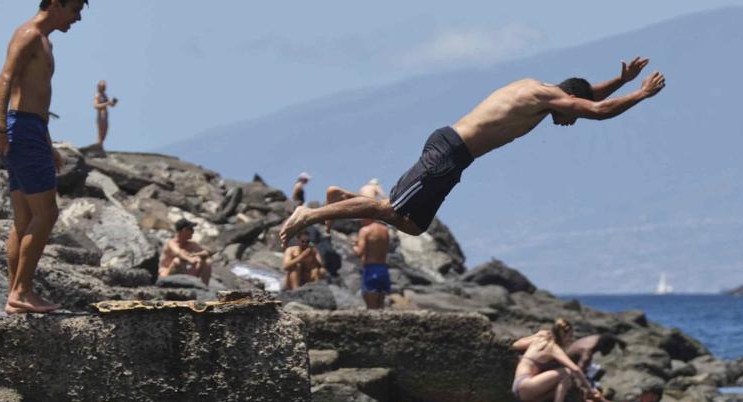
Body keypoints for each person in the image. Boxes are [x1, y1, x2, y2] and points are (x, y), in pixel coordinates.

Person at [279, 57, 665, 243]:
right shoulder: (547, 97)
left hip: (455, 155)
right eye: (571, 116)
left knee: (413, 226)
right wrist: (641, 94)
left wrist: (619, 79)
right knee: (392, 210)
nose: (569, 123)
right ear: (569, 100)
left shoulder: (543, 91)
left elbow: (589, 96)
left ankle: (343, 198)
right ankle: (308, 214)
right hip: (449, 152)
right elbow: (596, 109)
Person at [0, 0, 88, 314]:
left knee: (25, 218)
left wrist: (47, 142)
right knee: (48, 213)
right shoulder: (30, 35)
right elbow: (5, 79)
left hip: (30, 130)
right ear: (55, 4)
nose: (77, 19)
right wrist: (0, 128)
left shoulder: (44, 41)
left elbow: (32, 96)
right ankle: (22, 291)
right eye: (74, 10)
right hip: (21, 129)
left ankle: (15, 295)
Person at [510, 319, 590, 402]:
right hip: (525, 386)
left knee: (566, 382)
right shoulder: (553, 348)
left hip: (518, 385)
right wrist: (589, 389)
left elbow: (515, 344)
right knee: (566, 373)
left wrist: (536, 335)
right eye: (569, 336)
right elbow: (575, 369)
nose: (570, 340)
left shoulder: (539, 340)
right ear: (563, 335)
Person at [159, 219, 212, 284]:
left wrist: (195, 255)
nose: (193, 232)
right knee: (177, 261)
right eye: (191, 229)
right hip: (166, 273)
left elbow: (206, 253)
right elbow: (179, 253)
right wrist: (190, 259)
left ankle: (204, 286)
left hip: (184, 273)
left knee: (207, 262)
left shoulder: (191, 244)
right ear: (184, 230)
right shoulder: (171, 243)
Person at [354, 218, 391, 309]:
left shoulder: (365, 230)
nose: (360, 221)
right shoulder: (385, 230)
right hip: (383, 269)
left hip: (371, 269)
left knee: (371, 308)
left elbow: (359, 252)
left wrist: (354, 245)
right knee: (381, 306)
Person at [93, 79, 117, 148]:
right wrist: (107, 103)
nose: (104, 88)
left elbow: (110, 105)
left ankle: (100, 146)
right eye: (102, 87)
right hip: (100, 116)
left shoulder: (105, 95)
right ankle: (98, 147)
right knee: (100, 134)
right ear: (99, 87)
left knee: (104, 134)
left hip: (105, 117)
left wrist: (113, 103)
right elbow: (95, 105)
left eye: (105, 87)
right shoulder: (97, 95)